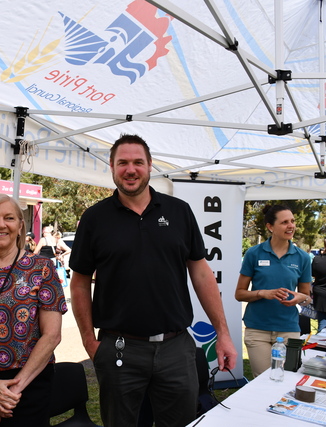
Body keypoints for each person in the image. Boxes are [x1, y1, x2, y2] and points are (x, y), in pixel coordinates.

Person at [68, 134, 237, 427]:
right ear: (111, 166)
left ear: (150, 166)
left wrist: (222, 333)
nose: (130, 170)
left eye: (138, 162)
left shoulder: (179, 211)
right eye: (122, 163)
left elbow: (201, 273)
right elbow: (80, 282)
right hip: (119, 346)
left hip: (176, 348)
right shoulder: (95, 218)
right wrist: (88, 340)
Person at [0, 194, 68, 427]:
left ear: (20, 226)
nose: (0, 224)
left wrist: (11, 392)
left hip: (28, 383)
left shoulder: (42, 268)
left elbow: (52, 336)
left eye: (9, 218)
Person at [235, 204, 312, 378]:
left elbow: (306, 297)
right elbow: (239, 294)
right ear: (270, 227)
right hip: (257, 330)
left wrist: (299, 298)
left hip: (288, 329)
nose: (291, 225)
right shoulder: (254, 254)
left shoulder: (303, 257)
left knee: (286, 380)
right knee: (262, 381)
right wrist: (262, 293)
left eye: (292, 221)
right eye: (285, 222)